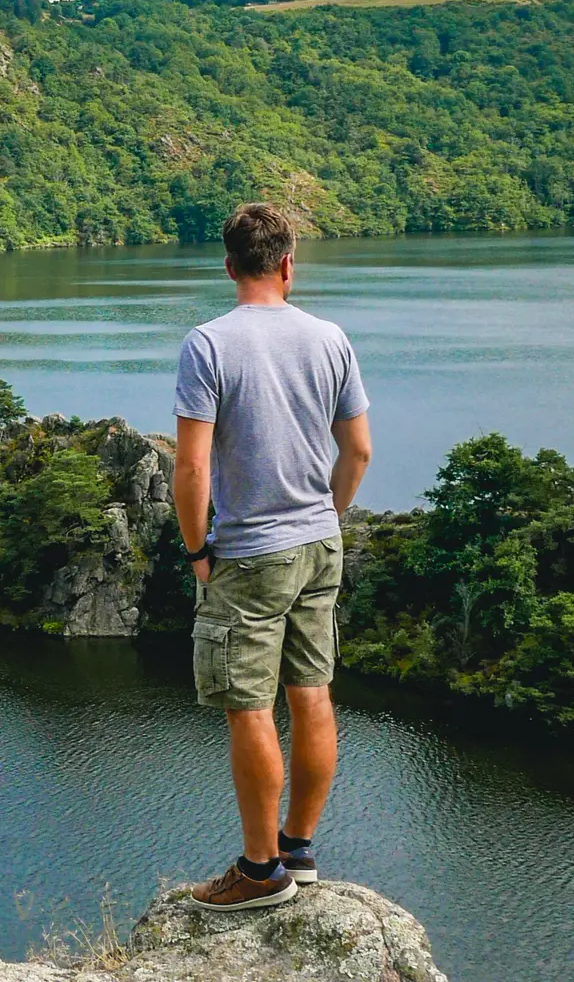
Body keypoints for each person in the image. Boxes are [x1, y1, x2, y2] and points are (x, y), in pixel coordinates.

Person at [171, 203, 372, 912]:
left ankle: (261, 875)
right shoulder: (330, 337)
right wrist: (328, 516)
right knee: (311, 694)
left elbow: (191, 469)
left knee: (249, 706)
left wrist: (199, 551)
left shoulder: (210, 344)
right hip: (319, 544)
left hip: (251, 552)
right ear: (289, 265)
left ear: (229, 266)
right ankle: (299, 850)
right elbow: (359, 451)